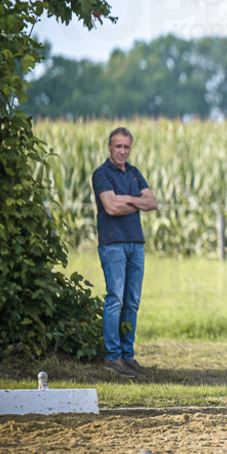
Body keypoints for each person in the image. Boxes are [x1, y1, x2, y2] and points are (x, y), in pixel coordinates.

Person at [91, 127, 158, 377]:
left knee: (132, 302)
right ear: (110, 147)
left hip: (135, 243)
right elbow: (110, 207)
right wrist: (136, 201)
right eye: (118, 146)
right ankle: (113, 357)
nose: (122, 151)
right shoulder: (101, 174)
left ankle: (128, 356)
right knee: (115, 300)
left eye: (126, 147)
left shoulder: (134, 173)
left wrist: (125, 199)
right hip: (113, 243)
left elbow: (152, 202)